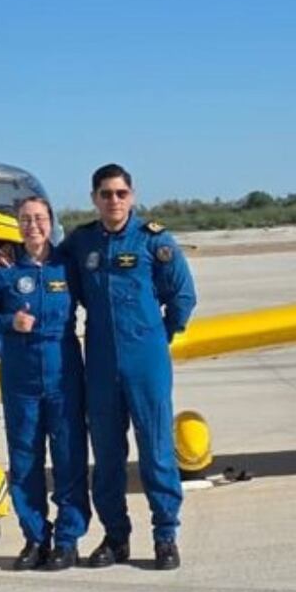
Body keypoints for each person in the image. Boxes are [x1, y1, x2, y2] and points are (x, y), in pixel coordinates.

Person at [62, 163, 197, 570]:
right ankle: (116, 537)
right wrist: (6, 255)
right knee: (106, 456)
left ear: (132, 196)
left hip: (147, 360)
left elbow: (182, 297)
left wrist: (159, 336)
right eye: (106, 194)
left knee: (156, 451)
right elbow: (48, 265)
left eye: (121, 194)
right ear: (94, 199)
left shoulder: (155, 241)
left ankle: (165, 536)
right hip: (101, 362)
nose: (113, 201)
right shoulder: (81, 243)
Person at [0, 196, 91, 571]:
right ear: (17, 225)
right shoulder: (3, 272)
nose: (33, 225)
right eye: (25, 219)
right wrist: (9, 323)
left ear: (51, 222)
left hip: (63, 371)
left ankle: (68, 540)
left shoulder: (67, 266)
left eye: (39, 218)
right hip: (20, 376)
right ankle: (35, 538)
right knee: (24, 459)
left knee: (69, 456)